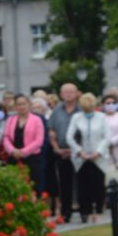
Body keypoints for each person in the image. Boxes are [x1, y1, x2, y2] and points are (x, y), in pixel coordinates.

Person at [66, 93, 111, 223]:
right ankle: (85, 211)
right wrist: (80, 152)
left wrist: (99, 152)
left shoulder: (102, 117)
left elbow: (107, 137)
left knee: (98, 185)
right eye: (85, 108)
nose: (88, 110)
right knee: (83, 186)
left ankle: (98, 211)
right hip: (82, 158)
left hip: (98, 157)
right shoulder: (76, 118)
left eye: (90, 108)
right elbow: (69, 137)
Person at [48, 83, 80, 222]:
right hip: (61, 151)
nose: (68, 94)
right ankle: (65, 213)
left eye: (71, 92)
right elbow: (51, 131)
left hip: (79, 152)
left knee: (80, 182)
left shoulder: (81, 110)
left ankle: (84, 210)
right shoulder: (56, 110)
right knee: (64, 184)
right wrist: (56, 148)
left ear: (77, 93)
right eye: (65, 92)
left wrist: (76, 149)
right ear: (61, 94)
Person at [2, 95, 46, 190]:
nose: (21, 106)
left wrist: (23, 152)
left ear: (29, 105)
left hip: (32, 158)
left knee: (33, 186)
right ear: (15, 107)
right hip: (13, 157)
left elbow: (39, 141)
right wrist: (12, 151)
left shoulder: (37, 120)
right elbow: (6, 137)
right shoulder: (10, 120)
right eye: (19, 104)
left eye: (24, 104)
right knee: (14, 186)